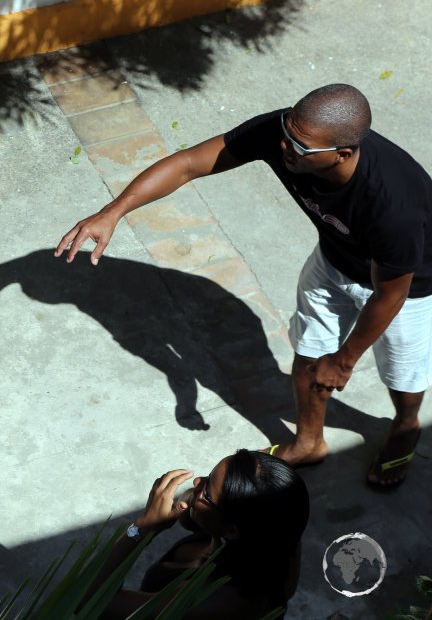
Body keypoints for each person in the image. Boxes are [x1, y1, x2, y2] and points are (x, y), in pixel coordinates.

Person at [56, 84, 428, 488]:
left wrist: (344, 360)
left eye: (299, 147)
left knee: (402, 373)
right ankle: (308, 443)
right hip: (335, 260)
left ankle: (406, 425)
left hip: (410, 285)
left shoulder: (393, 204)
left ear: (342, 154)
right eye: (286, 134)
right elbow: (189, 163)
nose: (285, 149)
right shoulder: (286, 134)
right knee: (308, 354)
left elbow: (390, 292)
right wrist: (113, 212)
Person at [85, 449, 309, 619]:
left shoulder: (208, 602)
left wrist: (143, 528)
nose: (196, 482)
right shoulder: (277, 536)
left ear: (232, 530)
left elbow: (88, 600)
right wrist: (194, 502)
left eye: (207, 489)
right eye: (208, 476)